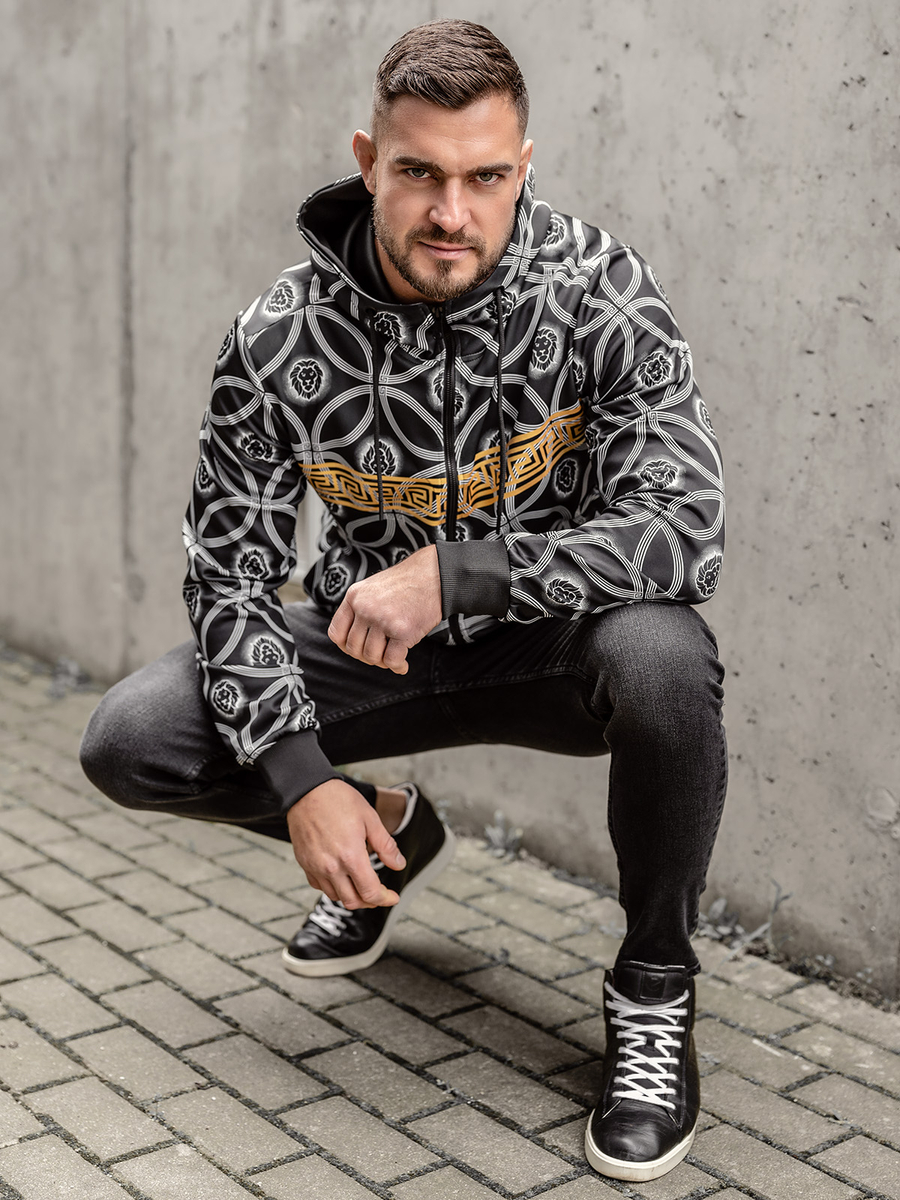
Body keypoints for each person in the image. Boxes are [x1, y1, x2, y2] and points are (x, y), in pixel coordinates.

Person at [80, 19, 726, 1184]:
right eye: (420, 172)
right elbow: (230, 571)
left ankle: (654, 994)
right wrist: (300, 778)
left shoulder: (597, 289)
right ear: (369, 159)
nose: (451, 212)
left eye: (486, 177)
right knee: (133, 739)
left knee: (667, 660)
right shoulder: (279, 340)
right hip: (366, 651)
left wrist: (464, 573)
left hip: (556, 646)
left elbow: (684, 525)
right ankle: (390, 828)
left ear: (524, 167)